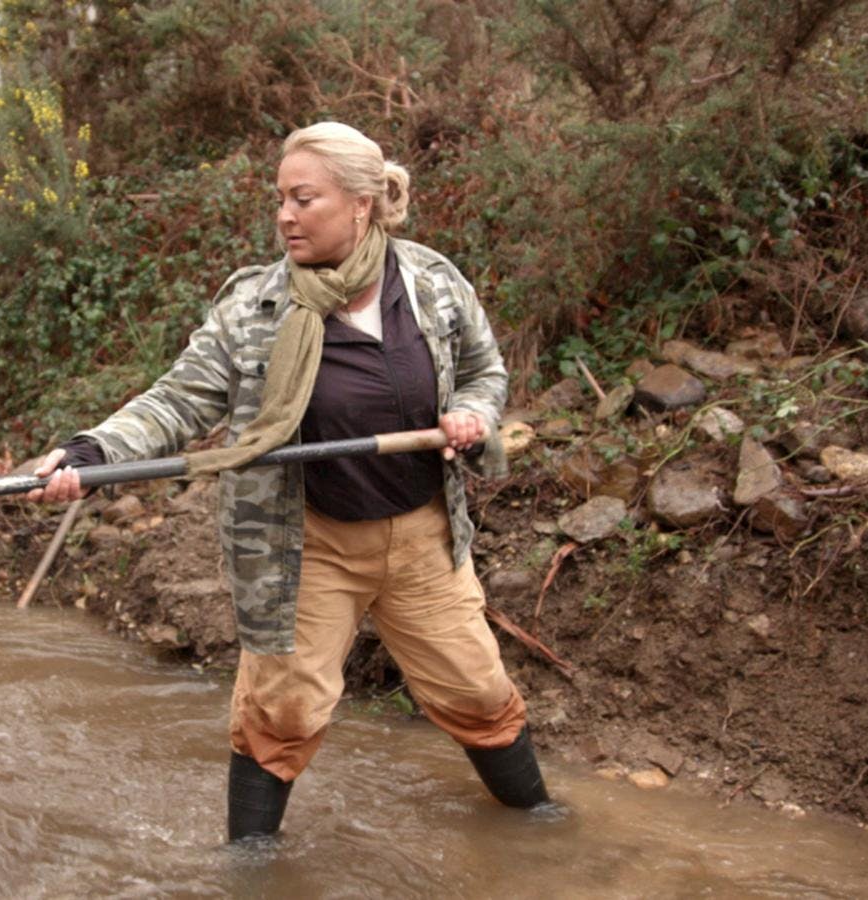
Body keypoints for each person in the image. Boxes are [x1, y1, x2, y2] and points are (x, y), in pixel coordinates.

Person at [31, 122, 562, 841]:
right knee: (280, 711)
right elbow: (179, 400)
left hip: (422, 536)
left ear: (361, 205)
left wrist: (471, 411)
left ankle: (542, 827)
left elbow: (482, 369)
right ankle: (250, 867)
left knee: (478, 690)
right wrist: (93, 452)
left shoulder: (431, 283)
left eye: (303, 199)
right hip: (306, 544)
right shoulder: (256, 306)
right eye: (280, 198)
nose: (284, 215)